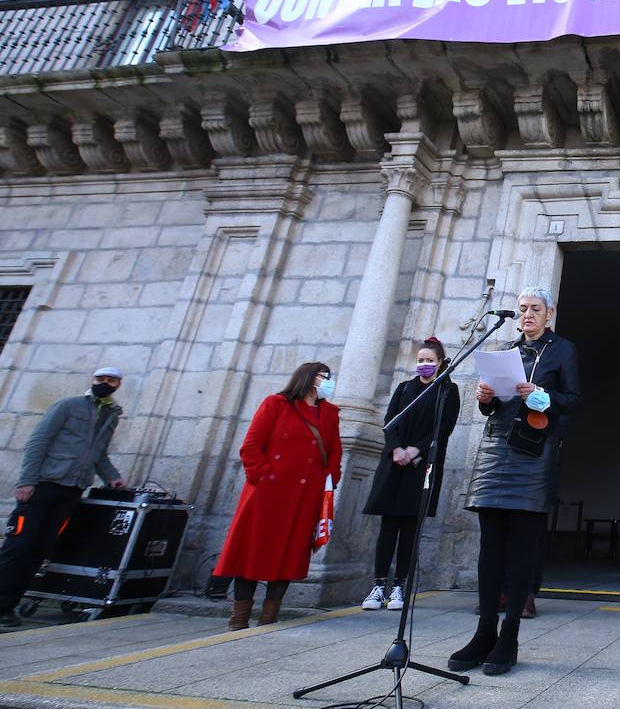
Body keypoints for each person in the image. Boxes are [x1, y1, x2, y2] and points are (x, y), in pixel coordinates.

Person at [448, 287, 580, 676]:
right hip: (496, 449)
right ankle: (484, 632)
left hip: (534, 451)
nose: (526, 315)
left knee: (523, 543)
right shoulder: (505, 348)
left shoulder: (562, 350)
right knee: (490, 543)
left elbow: (573, 399)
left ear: (549, 313)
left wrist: (542, 394)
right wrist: (484, 396)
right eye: (522, 309)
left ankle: (509, 636)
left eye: (534, 309)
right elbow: (491, 407)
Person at [212, 362, 342, 631]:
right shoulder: (277, 404)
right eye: (323, 376)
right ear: (308, 378)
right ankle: (239, 617)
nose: (328, 381)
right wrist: (264, 476)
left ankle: (270, 616)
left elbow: (334, 453)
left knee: (290, 554)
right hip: (268, 493)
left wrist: (328, 481)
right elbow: (251, 446)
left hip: (306, 494)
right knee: (250, 553)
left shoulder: (329, 413)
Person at [0, 367, 127, 628]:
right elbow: (39, 441)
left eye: (111, 380)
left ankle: (8, 607)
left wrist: (111, 477)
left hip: (72, 489)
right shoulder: (68, 406)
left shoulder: (111, 413)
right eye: (100, 379)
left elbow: (98, 452)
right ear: (92, 380)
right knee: (18, 546)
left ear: (118, 384)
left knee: (40, 550)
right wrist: (27, 481)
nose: (105, 383)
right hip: (44, 485)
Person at [360, 338, 460, 611]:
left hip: (420, 465)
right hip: (395, 464)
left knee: (409, 530)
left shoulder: (446, 391)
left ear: (440, 363)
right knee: (388, 527)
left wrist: (416, 450)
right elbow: (389, 422)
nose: (424, 365)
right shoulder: (404, 389)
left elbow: (444, 427)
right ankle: (379, 585)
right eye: (420, 360)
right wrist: (396, 450)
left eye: (429, 361)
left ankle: (399, 586)